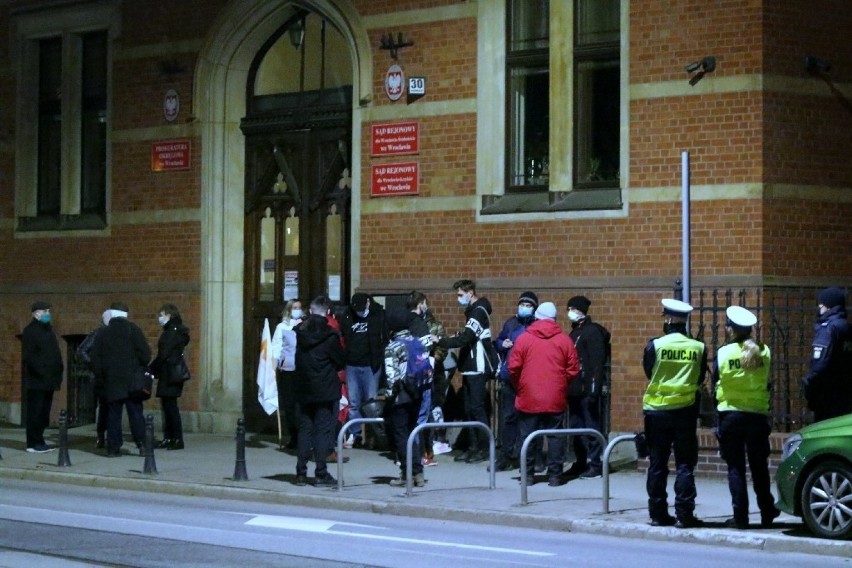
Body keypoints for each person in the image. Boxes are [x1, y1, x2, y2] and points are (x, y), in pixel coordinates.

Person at [642, 298, 707, 528]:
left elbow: (650, 373)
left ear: (668, 320)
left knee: (657, 464)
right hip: (685, 412)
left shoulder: (655, 345)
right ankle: (684, 514)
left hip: (657, 411)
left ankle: (658, 514)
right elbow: (700, 378)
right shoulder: (698, 347)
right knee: (685, 464)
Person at [713, 305, 781, 529]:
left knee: (735, 468)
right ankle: (767, 511)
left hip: (730, 415)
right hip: (757, 416)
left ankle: (740, 517)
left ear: (731, 329)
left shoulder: (723, 353)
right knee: (759, 467)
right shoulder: (764, 351)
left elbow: (715, 379)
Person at [508, 302, 580, 486]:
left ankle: (528, 475)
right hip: (555, 396)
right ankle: (555, 475)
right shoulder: (564, 340)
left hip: (528, 395)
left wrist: (520, 386)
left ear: (537, 317)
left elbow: (513, 367)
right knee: (555, 436)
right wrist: (561, 384)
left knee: (528, 437)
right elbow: (573, 370)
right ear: (554, 319)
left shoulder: (524, 339)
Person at [436, 279, 498, 464]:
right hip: (470, 366)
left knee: (477, 409)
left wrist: (441, 341)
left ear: (470, 293)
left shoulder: (478, 312)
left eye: (460, 295)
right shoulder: (473, 311)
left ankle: (484, 447)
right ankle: (473, 446)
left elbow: (467, 337)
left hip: (477, 367)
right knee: (469, 409)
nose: (458, 299)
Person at [293, 296, 345, 487]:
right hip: (326, 389)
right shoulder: (331, 335)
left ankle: (300, 472)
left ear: (311, 311)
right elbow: (340, 361)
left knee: (305, 429)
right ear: (327, 312)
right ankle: (320, 472)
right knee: (323, 431)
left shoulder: (300, 332)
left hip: (304, 388)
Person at [90, 302, 151, 457]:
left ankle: (113, 448)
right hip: (132, 381)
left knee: (113, 415)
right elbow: (146, 355)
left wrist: (102, 376)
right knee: (136, 413)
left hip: (112, 380)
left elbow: (95, 358)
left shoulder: (103, 333)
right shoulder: (133, 330)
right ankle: (143, 445)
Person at [384, 307, 431, 487]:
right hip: (417, 392)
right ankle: (418, 473)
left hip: (400, 396)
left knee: (401, 435)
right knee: (413, 432)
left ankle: (406, 474)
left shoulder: (393, 346)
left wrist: (388, 397)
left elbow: (392, 377)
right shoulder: (417, 342)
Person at [493, 291, 539, 471]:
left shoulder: (536, 326)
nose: (524, 308)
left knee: (529, 421)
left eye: (528, 306)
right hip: (509, 377)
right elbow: (498, 340)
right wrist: (501, 344)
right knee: (508, 419)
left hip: (528, 380)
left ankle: (526, 457)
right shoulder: (511, 323)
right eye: (522, 304)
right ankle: (506, 454)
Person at [566, 295, 611, 479]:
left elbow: (596, 364)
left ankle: (595, 462)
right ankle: (581, 460)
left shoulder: (591, 332)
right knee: (577, 426)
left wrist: (594, 389)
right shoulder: (575, 332)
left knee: (591, 425)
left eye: (573, 309)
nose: (570, 313)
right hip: (575, 388)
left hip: (586, 388)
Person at [339, 292, 388, 446]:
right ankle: (356, 434)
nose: (359, 311)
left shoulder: (378, 314)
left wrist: (379, 356)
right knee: (354, 402)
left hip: (370, 364)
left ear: (368, 303)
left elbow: (384, 337)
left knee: (371, 402)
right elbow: (343, 337)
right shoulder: (347, 315)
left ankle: (374, 436)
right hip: (352, 364)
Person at [801, 287, 852, 422]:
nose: (819, 306)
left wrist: (809, 384)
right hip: (845, 393)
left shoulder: (828, 328)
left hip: (827, 395)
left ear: (828, 305)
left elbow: (820, 364)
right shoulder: (847, 326)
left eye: (821, 303)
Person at [21, 301, 63, 453]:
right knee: (35, 412)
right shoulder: (30, 331)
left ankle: (40, 439)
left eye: (48, 310)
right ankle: (33, 443)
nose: (48, 313)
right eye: (45, 311)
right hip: (37, 380)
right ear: (36, 313)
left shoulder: (47, 330)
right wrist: (42, 372)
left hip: (49, 380)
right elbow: (30, 356)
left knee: (44, 412)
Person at [150, 303, 190, 450]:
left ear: (169, 315)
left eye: (162, 315)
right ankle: (171, 438)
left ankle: (174, 438)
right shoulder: (175, 330)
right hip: (171, 372)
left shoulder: (171, 332)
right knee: (169, 406)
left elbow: (164, 354)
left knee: (170, 407)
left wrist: (151, 369)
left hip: (169, 373)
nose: (159, 318)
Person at [271, 299, 304, 448]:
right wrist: (274, 364)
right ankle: (294, 436)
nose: (297, 310)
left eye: (299, 307)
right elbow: (276, 347)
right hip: (288, 369)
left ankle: (303, 436)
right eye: (294, 307)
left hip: (302, 369)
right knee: (290, 405)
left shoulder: (305, 324)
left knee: (301, 405)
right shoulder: (282, 327)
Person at [77, 311, 110, 449]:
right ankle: (101, 435)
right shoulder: (97, 334)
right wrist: (93, 364)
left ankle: (108, 436)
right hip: (99, 377)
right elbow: (82, 350)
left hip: (111, 376)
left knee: (110, 407)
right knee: (104, 407)